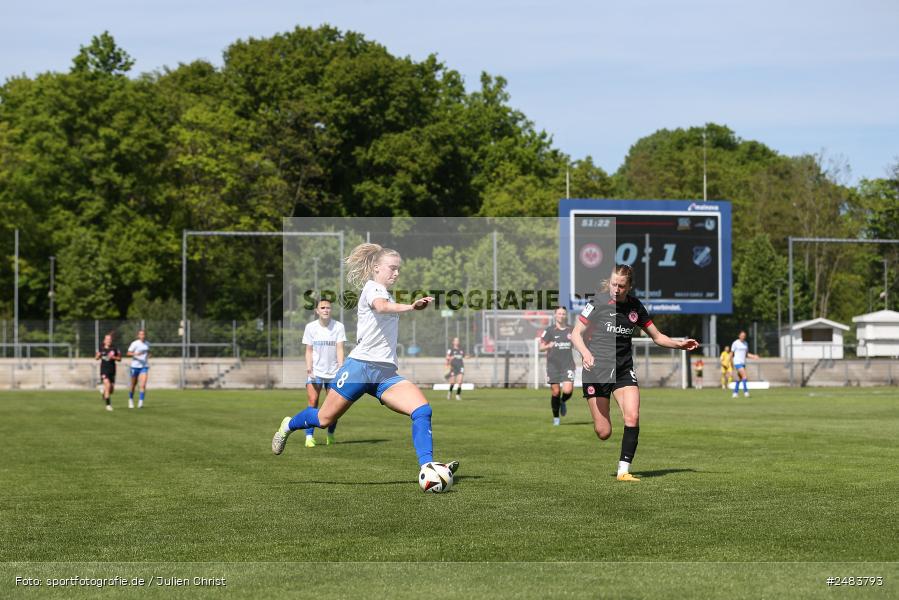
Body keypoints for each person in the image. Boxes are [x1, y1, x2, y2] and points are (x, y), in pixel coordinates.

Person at [272, 243, 459, 479]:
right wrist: (411, 306)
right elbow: (381, 307)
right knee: (323, 419)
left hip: (385, 374)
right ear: (377, 268)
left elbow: (386, 305)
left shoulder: (387, 292)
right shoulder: (372, 289)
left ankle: (427, 467)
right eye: (392, 268)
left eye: (398, 269)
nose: (397, 273)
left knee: (422, 410)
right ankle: (288, 425)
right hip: (359, 368)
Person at [571, 264, 699, 482]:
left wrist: (679, 344)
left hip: (623, 370)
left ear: (629, 286)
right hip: (597, 371)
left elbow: (657, 336)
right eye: (613, 284)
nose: (616, 289)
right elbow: (576, 334)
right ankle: (601, 404)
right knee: (604, 432)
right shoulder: (597, 303)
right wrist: (585, 353)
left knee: (633, 415)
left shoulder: (635, 308)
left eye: (621, 286)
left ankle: (623, 470)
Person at [301, 298, 346, 447]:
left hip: (333, 373)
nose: (326, 310)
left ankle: (330, 435)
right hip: (316, 373)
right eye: (323, 307)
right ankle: (309, 437)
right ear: (317, 311)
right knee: (313, 403)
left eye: (328, 308)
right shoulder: (310, 327)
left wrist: (341, 367)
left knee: (333, 407)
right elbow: (308, 350)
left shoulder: (338, 327)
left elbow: (340, 348)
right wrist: (309, 367)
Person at [539, 306, 575, 426]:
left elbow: (578, 342)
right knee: (555, 391)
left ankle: (562, 401)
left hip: (568, 364)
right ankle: (556, 418)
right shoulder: (549, 330)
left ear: (566, 315)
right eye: (559, 314)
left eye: (563, 314)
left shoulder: (571, 329)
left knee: (568, 390)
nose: (561, 316)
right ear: (555, 315)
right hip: (553, 366)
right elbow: (541, 347)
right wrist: (548, 346)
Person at [95, 333, 121, 411]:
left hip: (112, 370)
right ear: (104, 340)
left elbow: (119, 359)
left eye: (109, 339)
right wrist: (98, 355)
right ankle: (108, 405)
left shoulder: (115, 348)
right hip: (104, 370)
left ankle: (103, 393)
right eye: (107, 339)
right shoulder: (101, 348)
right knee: (107, 385)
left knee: (111, 390)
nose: (108, 341)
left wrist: (113, 357)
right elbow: (96, 358)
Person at [729, 331, 759, 398]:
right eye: (742, 335)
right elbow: (731, 354)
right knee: (744, 376)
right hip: (737, 362)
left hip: (743, 363)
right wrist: (730, 364)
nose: (743, 337)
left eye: (744, 336)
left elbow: (746, 354)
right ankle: (746, 392)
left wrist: (754, 356)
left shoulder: (745, 343)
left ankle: (735, 393)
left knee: (739, 379)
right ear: (739, 336)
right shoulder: (735, 343)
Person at [127, 329, 150, 409]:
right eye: (141, 334)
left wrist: (148, 356)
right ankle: (130, 399)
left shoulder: (147, 344)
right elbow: (128, 353)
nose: (142, 336)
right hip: (135, 367)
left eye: (143, 334)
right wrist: (135, 354)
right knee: (133, 385)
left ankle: (140, 403)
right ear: (138, 335)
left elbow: (148, 352)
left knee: (143, 385)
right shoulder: (135, 343)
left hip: (144, 366)